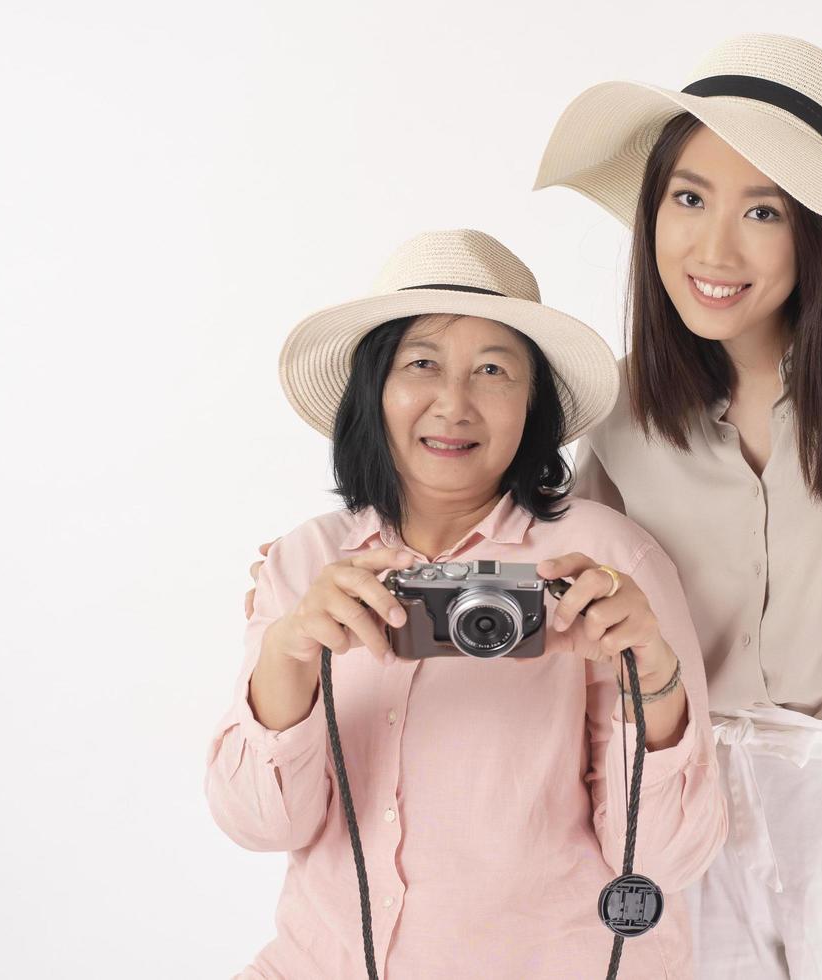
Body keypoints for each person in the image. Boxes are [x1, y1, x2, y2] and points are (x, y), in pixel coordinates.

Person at [532, 33, 822, 979]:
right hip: (687, 795)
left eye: (764, 211)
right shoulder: (628, 407)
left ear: (818, 227)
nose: (714, 248)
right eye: (689, 199)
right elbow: (576, 626)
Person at [207, 229, 726, 978]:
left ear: (532, 403)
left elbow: (665, 859)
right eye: (421, 364)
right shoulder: (308, 562)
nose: (454, 404)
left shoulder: (606, 560)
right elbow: (258, 824)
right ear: (373, 389)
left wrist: (655, 676)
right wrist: (289, 653)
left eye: (493, 370)